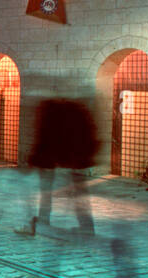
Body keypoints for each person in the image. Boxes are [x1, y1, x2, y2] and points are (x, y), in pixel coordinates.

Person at [16, 97, 97, 238]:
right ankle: (86, 227)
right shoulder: (78, 109)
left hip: (52, 160)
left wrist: (32, 161)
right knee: (79, 195)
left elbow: (44, 139)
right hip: (74, 160)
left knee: (46, 193)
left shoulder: (49, 110)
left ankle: (42, 222)